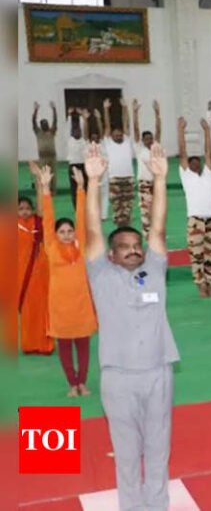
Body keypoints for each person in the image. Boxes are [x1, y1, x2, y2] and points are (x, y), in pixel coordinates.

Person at [83, 141, 179, 511]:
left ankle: (158, 507)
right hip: (119, 378)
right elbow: (92, 232)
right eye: (125, 246)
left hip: (158, 372)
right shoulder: (101, 275)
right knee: (127, 454)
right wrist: (94, 182)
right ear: (111, 254)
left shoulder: (153, 269)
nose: (135, 249)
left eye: (136, 244)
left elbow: (158, 227)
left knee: (158, 451)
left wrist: (159, 179)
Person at [31, 163, 98, 397]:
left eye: (70, 231)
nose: (68, 234)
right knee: (65, 347)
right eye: (63, 232)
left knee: (83, 345)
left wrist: (81, 187)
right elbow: (48, 219)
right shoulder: (51, 246)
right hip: (59, 306)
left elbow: (81, 217)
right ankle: (72, 383)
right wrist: (46, 188)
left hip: (80, 304)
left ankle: (83, 382)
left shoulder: (80, 244)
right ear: (56, 235)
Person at [178, 117, 211, 298]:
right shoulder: (186, 175)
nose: (195, 165)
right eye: (192, 164)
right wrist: (181, 131)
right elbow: (182, 152)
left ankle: (210, 282)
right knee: (197, 255)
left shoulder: (208, 174)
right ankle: (200, 284)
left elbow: (209, 153)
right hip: (195, 220)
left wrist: (207, 132)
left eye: (197, 163)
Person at [17, 195, 53, 355]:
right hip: (20, 275)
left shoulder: (37, 224)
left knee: (42, 309)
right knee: (27, 312)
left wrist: (40, 182)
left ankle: (45, 345)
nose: (24, 212)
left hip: (40, 273)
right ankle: (28, 344)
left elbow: (43, 208)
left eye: (27, 208)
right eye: (20, 209)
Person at [103, 98, 135, 227]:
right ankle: (119, 229)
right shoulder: (108, 143)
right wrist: (105, 109)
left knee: (128, 207)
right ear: (111, 136)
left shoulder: (127, 140)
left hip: (128, 179)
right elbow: (107, 126)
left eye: (120, 135)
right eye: (115, 135)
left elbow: (126, 123)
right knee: (117, 207)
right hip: (114, 179)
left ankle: (127, 227)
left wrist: (125, 108)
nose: (118, 137)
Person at [131, 99, 162, 235]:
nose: (149, 140)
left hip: (156, 183)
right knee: (145, 211)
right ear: (143, 140)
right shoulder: (139, 149)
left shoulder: (156, 148)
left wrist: (157, 113)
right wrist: (135, 113)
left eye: (151, 138)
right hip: (144, 184)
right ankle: (148, 235)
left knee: (157, 210)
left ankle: (157, 232)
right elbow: (136, 130)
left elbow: (159, 130)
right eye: (147, 138)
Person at [32, 101, 58, 193]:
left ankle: (53, 190)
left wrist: (54, 109)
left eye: (46, 123)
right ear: (41, 126)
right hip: (42, 157)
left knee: (53, 174)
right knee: (42, 174)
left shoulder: (52, 131)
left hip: (52, 156)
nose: (45, 125)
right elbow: (33, 121)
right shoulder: (38, 132)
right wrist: (35, 110)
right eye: (43, 124)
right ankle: (42, 189)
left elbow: (55, 120)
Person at [67, 107, 89, 207]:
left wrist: (82, 117)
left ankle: (87, 204)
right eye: (74, 130)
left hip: (84, 166)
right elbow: (68, 127)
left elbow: (84, 127)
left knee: (86, 186)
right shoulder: (69, 139)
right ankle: (77, 206)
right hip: (73, 167)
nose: (77, 132)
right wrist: (69, 115)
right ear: (72, 132)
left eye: (78, 130)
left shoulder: (84, 140)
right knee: (74, 187)